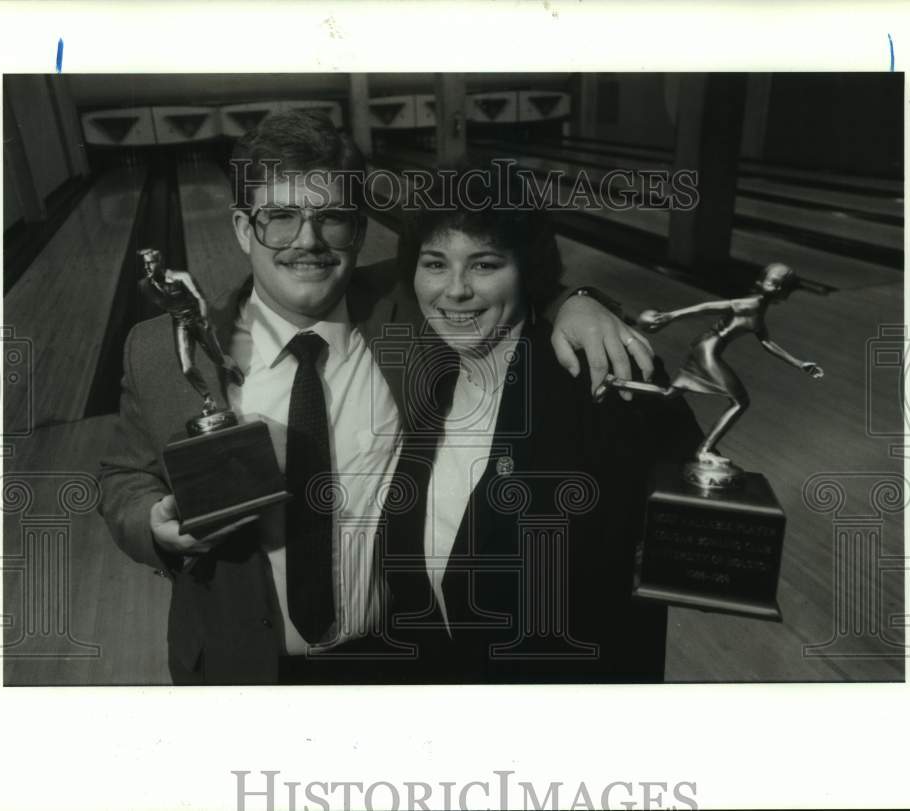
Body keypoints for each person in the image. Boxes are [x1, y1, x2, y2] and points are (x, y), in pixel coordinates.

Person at [98, 111, 655, 685]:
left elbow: (496, 271)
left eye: (332, 218)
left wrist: (579, 300)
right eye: (280, 218)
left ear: (360, 230)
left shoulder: (410, 308)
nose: (307, 242)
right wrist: (152, 525)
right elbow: (123, 477)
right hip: (240, 668)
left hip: (398, 660)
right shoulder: (163, 351)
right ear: (243, 229)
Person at [380, 166, 702, 683]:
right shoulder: (431, 387)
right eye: (435, 263)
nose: (455, 290)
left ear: (525, 270)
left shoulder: (600, 381)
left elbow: (696, 534)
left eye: (484, 264)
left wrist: (578, 300)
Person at [596, 262, 824, 489]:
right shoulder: (747, 303)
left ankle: (613, 382)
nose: (774, 288)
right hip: (707, 350)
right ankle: (704, 450)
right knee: (740, 401)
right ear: (761, 281)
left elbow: (767, 343)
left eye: (780, 285)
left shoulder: (760, 311)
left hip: (705, 347)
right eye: (772, 282)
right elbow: (706, 307)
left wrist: (800, 363)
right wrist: (670, 315)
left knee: (668, 394)